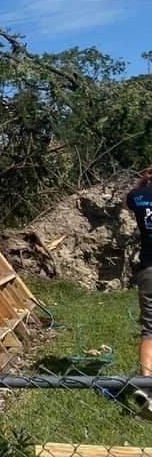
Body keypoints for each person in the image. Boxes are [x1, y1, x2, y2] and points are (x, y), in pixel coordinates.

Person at [127, 167, 152, 408]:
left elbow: (128, 201)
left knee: (150, 329)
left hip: (148, 270)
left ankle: (146, 387)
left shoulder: (138, 197)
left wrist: (144, 182)